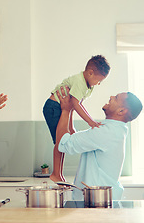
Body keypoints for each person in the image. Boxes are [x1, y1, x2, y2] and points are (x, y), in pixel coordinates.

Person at [55, 86, 142, 200]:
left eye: (116, 98)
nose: (111, 97)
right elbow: (74, 137)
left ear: (121, 111)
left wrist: (65, 110)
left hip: (96, 201)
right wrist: (71, 109)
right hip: (100, 199)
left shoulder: (106, 132)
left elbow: (64, 144)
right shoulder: (114, 130)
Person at [43, 55, 110, 183]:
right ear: (90, 73)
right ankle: (56, 174)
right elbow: (75, 104)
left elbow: (74, 105)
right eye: (99, 80)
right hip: (53, 107)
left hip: (59, 107)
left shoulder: (87, 85)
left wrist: (70, 126)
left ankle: (59, 174)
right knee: (60, 141)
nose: (99, 83)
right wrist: (90, 121)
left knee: (63, 140)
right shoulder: (80, 82)